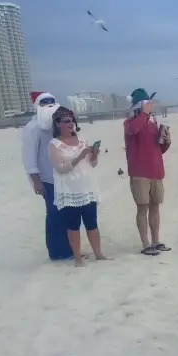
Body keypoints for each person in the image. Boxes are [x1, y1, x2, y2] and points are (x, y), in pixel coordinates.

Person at [48, 106, 108, 267]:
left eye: (72, 120)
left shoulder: (82, 138)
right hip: (69, 190)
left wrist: (94, 155)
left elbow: (92, 164)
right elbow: (60, 168)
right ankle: (77, 259)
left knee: (92, 223)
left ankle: (99, 254)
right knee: (73, 226)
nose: (70, 123)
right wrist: (79, 156)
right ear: (58, 124)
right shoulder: (54, 144)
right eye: (66, 121)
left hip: (87, 187)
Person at [20, 91, 73, 260]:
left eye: (52, 102)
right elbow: (29, 156)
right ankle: (58, 252)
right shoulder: (32, 128)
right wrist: (36, 181)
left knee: (67, 213)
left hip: (65, 177)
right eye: (45, 103)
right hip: (47, 179)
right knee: (54, 214)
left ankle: (70, 248)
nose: (49, 106)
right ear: (37, 106)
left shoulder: (58, 124)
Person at [125, 87, 173, 255]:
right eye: (146, 103)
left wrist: (166, 141)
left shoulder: (152, 123)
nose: (149, 106)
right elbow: (133, 130)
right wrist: (144, 114)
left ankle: (155, 240)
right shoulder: (130, 122)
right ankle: (145, 243)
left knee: (155, 207)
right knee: (142, 208)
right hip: (139, 172)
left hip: (156, 171)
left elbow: (158, 149)